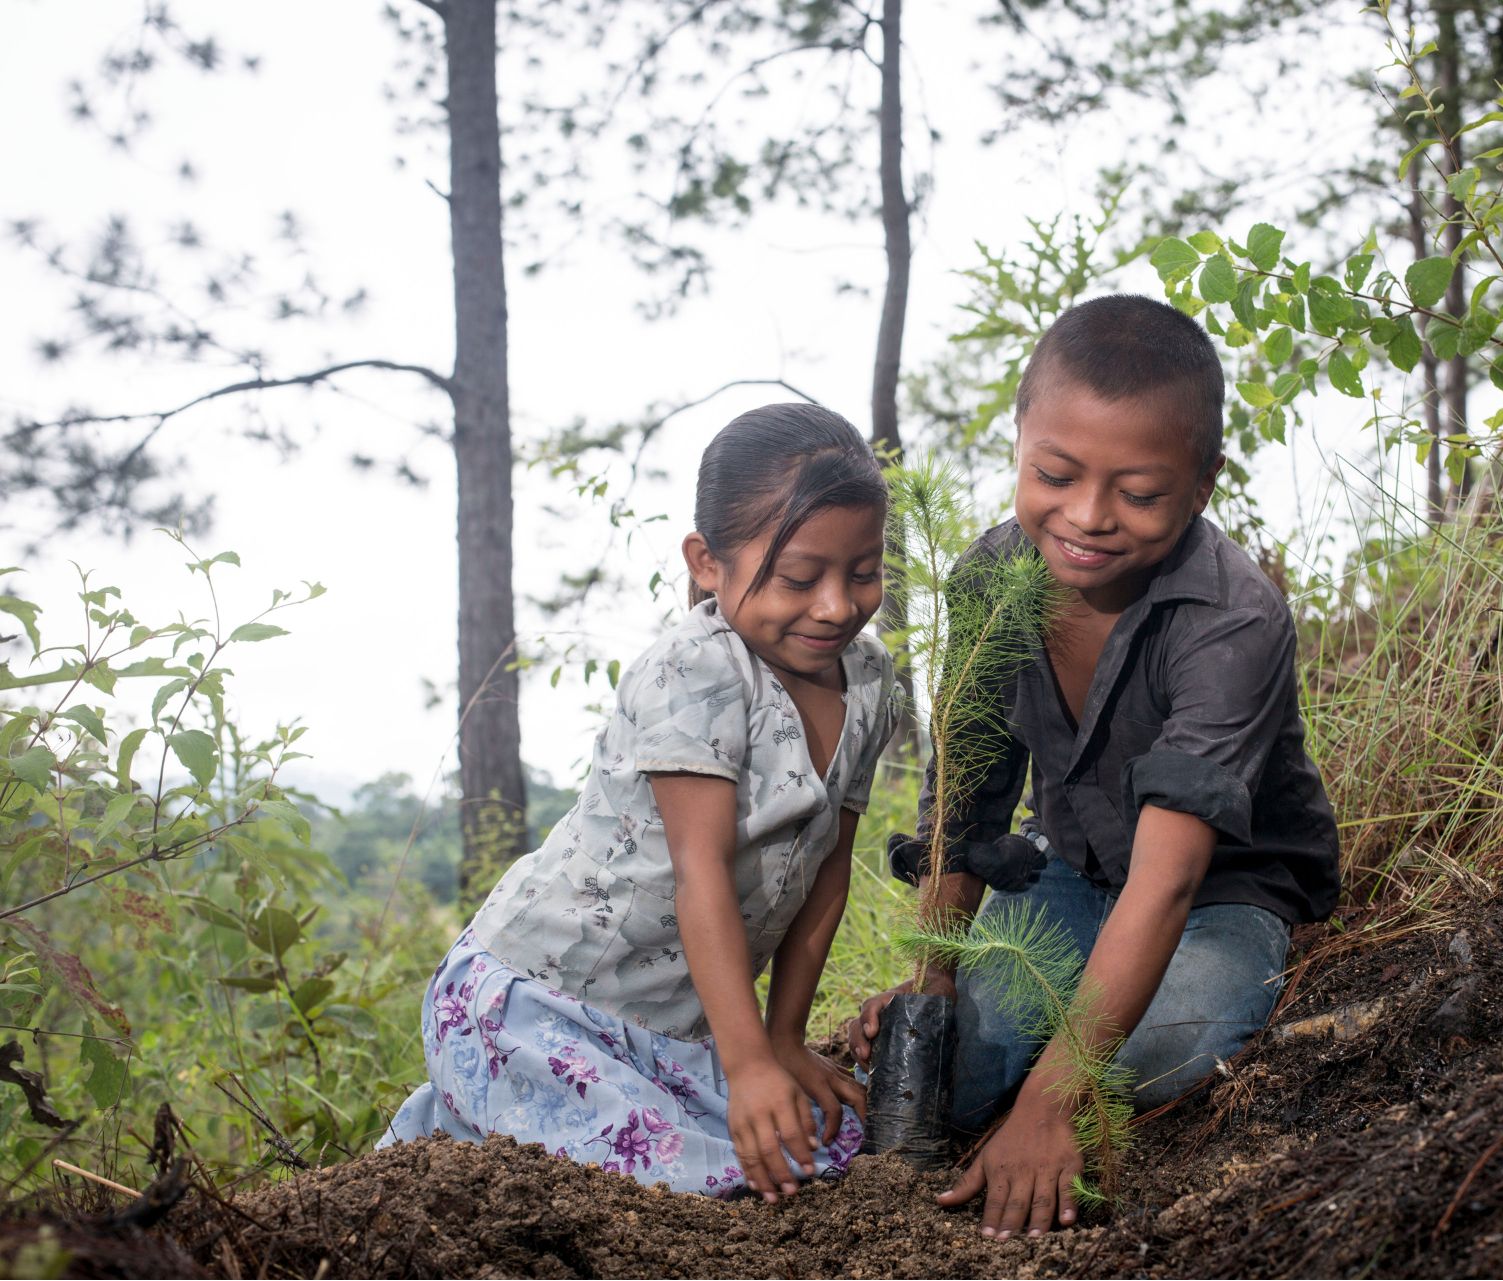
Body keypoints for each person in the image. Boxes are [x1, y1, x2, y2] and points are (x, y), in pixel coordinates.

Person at [848, 294, 1340, 1239]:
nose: (1086, 516)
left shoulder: (1231, 620)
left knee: (1159, 1048)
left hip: (1218, 890)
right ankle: (1030, 1035)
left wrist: (1051, 1100)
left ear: (1203, 484)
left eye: (1139, 493)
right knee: (949, 1067)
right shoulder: (992, 577)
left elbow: (1168, 878)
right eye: (1054, 474)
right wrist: (938, 976)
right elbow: (969, 796)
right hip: (1070, 873)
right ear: (1019, 443)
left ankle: (1126, 1030)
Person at [383, 403, 896, 1203]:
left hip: (666, 1032)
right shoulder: (697, 669)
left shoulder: (868, 681)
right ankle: (469, 1100)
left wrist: (784, 1040)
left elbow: (829, 870)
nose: (835, 605)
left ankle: (485, 1113)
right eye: (799, 578)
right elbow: (700, 873)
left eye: (862, 572)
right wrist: (747, 1067)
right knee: (705, 1181)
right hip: (540, 1001)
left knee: (826, 1145)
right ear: (707, 562)